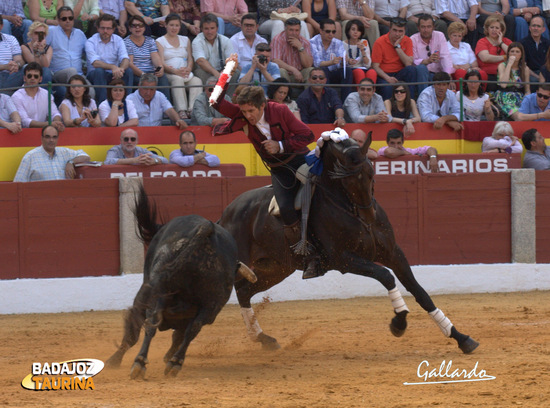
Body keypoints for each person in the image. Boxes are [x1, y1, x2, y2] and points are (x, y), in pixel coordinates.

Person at [211, 58, 321, 279]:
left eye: (251, 110)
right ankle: (308, 254)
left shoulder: (279, 110)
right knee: (287, 209)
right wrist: (228, 70)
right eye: (244, 111)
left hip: (299, 162)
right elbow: (215, 101)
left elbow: (308, 135)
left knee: (321, 193)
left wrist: (280, 145)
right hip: (279, 171)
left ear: (262, 105)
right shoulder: (243, 115)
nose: (248, 116)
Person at [156, 13, 203, 119]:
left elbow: (190, 58)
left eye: (177, 25)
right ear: (166, 25)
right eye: (171, 25)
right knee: (177, 80)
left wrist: (188, 68)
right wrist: (175, 72)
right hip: (170, 73)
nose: (174, 28)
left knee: (197, 81)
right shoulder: (160, 41)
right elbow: (161, 62)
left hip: (185, 72)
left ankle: (193, 110)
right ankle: (181, 110)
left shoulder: (185, 39)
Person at [13, 125, 90, 182]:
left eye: (54, 137)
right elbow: (18, 183)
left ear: (57, 139)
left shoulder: (64, 153)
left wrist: (71, 162)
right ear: (41, 138)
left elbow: (86, 157)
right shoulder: (30, 157)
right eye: (47, 137)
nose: (51, 140)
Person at [47, 7, 90, 105]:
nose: (68, 21)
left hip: (79, 74)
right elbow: (41, 48)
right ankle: (72, 108)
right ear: (58, 20)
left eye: (70, 18)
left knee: (91, 92)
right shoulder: (51, 32)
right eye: (64, 19)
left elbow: (88, 54)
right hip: (58, 74)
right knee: (72, 71)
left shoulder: (80, 34)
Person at [85, 14, 132, 104]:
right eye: (102, 28)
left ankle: (125, 103)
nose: (105, 31)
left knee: (128, 71)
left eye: (108, 28)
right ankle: (103, 105)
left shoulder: (118, 40)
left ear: (114, 29)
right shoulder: (91, 41)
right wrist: (113, 67)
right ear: (97, 28)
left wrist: (120, 69)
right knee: (99, 71)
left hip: (115, 74)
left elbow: (125, 58)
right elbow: (95, 63)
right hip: (95, 75)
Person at [371, 17, 420, 100]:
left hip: (399, 73)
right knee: (388, 87)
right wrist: (387, 78)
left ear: (404, 31)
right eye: (395, 30)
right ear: (389, 29)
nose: (397, 34)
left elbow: (408, 63)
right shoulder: (380, 42)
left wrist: (397, 46)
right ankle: (388, 110)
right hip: (384, 75)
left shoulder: (407, 40)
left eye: (400, 31)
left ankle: (410, 103)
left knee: (411, 70)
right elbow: (375, 66)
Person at [124, 15, 170, 101]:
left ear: (144, 28)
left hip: (151, 72)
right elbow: (130, 64)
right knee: (145, 81)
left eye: (140, 25)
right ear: (129, 28)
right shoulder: (126, 42)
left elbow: (155, 57)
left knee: (162, 77)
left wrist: (160, 68)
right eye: (134, 26)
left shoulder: (150, 40)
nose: (138, 28)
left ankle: (166, 107)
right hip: (136, 74)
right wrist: (143, 75)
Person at [309, 18, 354, 101]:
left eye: (333, 32)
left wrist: (344, 61)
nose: (331, 34)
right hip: (320, 73)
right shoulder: (313, 42)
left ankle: (346, 102)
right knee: (323, 70)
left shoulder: (338, 42)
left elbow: (341, 61)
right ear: (321, 31)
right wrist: (332, 62)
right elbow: (316, 63)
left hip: (334, 72)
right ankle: (327, 101)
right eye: (328, 31)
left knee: (347, 71)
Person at [11, 62, 64, 130]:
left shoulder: (46, 94)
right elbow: (25, 121)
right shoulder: (16, 96)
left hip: (44, 133)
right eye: (29, 76)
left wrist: (57, 122)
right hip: (25, 133)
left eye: (36, 76)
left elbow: (54, 113)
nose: (32, 78)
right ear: (24, 78)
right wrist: (48, 124)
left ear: (40, 79)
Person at [411, 14, 454, 93]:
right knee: (421, 68)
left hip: (437, 74)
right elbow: (413, 61)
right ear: (418, 28)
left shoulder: (440, 35)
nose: (426, 30)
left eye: (429, 27)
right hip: (421, 74)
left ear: (433, 27)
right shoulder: (413, 39)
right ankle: (423, 98)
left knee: (444, 76)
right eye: (423, 27)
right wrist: (427, 61)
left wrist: (448, 76)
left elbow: (445, 56)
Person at [192, 14, 237, 86]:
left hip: (222, 70)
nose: (209, 32)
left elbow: (231, 61)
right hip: (206, 72)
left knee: (235, 72)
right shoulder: (197, 41)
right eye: (206, 28)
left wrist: (224, 72)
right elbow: (200, 61)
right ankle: (210, 96)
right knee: (199, 72)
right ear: (201, 29)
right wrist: (216, 74)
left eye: (212, 28)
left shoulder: (225, 40)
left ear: (217, 28)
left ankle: (228, 96)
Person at [270, 17, 314, 88]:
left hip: (300, 74)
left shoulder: (304, 42)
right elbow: (275, 61)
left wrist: (300, 47)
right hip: (286, 74)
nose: (294, 33)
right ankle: (286, 97)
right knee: (281, 71)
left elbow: (308, 65)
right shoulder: (277, 40)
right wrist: (293, 70)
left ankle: (308, 97)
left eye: (297, 30)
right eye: (291, 30)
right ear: (285, 29)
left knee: (311, 71)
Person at [493, 41, 530, 120]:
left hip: (519, 97)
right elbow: (503, 84)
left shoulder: (525, 69)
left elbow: (527, 90)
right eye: (512, 51)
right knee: (519, 117)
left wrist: (527, 102)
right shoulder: (502, 66)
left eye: (517, 52)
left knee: (527, 114)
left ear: (521, 54)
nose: (514, 54)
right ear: (508, 53)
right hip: (504, 97)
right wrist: (509, 64)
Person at [475, 16, 512, 91]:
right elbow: (485, 58)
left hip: (506, 74)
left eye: (497, 28)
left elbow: (514, 55)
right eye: (492, 27)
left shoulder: (507, 41)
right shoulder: (482, 41)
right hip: (489, 75)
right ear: (487, 29)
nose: (494, 30)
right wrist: (505, 57)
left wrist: (501, 43)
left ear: (501, 30)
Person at [447, 21, 488, 88]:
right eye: (454, 35)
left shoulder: (466, 46)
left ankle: (480, 95)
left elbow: (475, 63)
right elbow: (448, 64)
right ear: (449, 35)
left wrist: (469, 66)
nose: (457, 38)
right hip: (454, 73)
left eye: (459, 36)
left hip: (469, 69)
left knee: (482, 73)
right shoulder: (445, 47)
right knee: (461, 72)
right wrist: (461, 68)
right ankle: (462, 96)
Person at [344, 19, 377, 85]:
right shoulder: (342, 44)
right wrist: (348, 61)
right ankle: (362, 93)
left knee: (372, 72)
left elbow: (368, 65)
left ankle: (370, 92)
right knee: (359, 72)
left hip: (363, 68)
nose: (356, 32)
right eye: (353, 29)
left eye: (358, 30)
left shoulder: (364, 42)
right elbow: (342, 64)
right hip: (350, 71)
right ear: (348, 31)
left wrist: (363, 51)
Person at [21, 22, 53, 86]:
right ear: (31, 34)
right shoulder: (24, 47)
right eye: (36, 33)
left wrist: (42, 51)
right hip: (31, 73)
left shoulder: (48, 48)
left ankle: (45, 93)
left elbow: (46, 65)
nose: (39, 35)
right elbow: (34, 65)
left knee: (46, 70)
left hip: (44, 73)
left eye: (42, 33)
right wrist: (36, 51)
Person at [0, 18, 24, 94]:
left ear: (1, 26)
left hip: (11, 74)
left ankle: (4, 95)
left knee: (29, 68)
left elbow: (19, 59)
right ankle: (6, 95)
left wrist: (17, 65)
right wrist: (5, 67)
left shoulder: (11, 39)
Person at [522, 16, 550, 82]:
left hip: (545, 73)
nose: (536, 28)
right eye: (533, 26)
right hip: (531, 74)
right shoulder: (522, 43)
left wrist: (543, 75)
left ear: (543, 29)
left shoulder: (548, 43)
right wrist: (537, 76)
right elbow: (523, 65)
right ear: (530, 28)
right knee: (533, 81)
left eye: (538, 26)